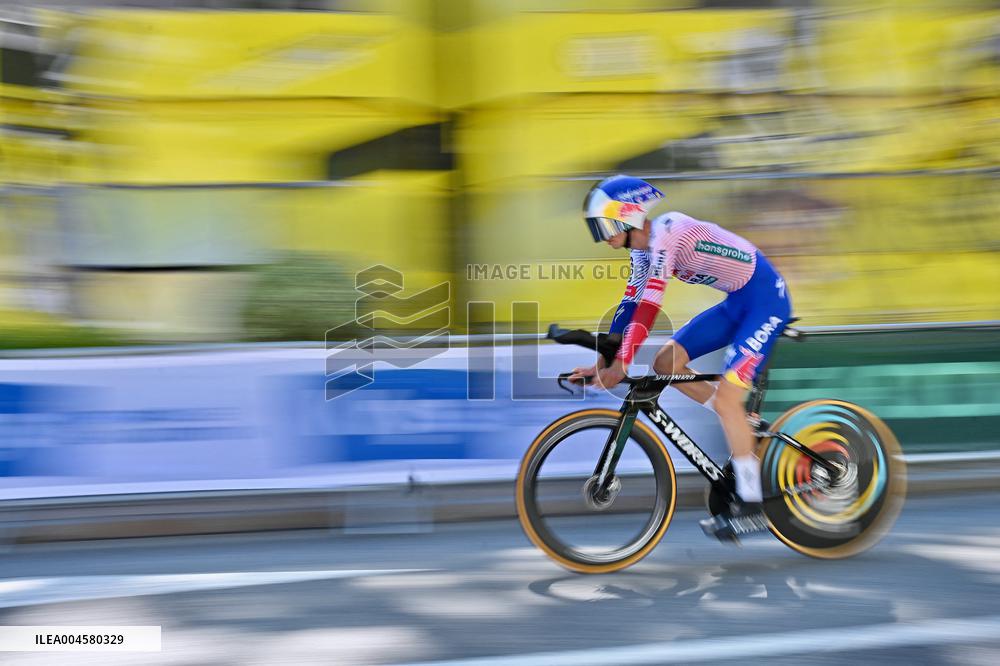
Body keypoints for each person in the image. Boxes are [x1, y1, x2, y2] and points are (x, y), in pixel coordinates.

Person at [570, 174, 792, 541]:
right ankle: (738, 420)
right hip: (738, 303)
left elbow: (650, 307)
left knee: (728, 401)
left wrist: (621, 364)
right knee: (665, 364)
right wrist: (605, 361)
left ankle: (752, 505)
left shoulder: (667, 233)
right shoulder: (642, 252)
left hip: (766, 301)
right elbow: (629, 305)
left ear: (628, 216)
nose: (603, 236)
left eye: (605, 225)